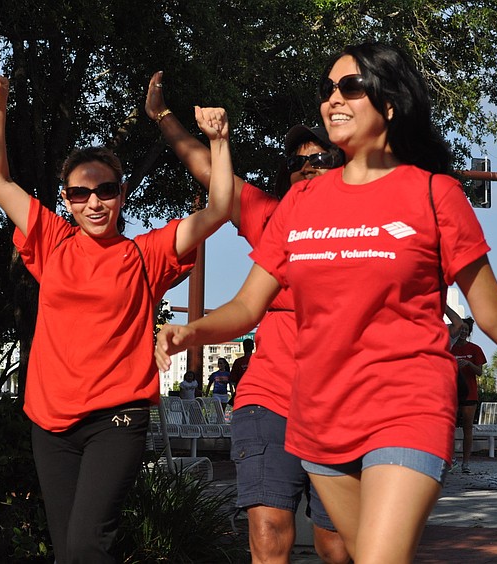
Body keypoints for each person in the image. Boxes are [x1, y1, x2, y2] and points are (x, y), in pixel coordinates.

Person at [153, 42, 497, 563]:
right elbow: (247, 305)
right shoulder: (300, 203)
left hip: (407, 402)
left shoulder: (435, 194)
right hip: (320, 416)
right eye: (328, 89)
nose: (333, 100)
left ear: (389, 104)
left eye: (350, 87)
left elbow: (493, 310)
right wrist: (191, 331)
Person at [0, 74, 233, 563]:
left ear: (121, 195)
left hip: (116, 420)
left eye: (106, 190)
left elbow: (221, 206)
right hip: (50, 424)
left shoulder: (146, 254)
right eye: (79, 194)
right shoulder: (51, 240)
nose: (93, 202)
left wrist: (219, 141)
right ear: (67, 199)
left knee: (88, 545)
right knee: (68, 552)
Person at [146, 72, 350, 564]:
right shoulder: (273, 219)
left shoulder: (370, 231)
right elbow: (207, 170)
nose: (307, 168)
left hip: (342, 407)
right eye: (297, 163)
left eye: (320, 158)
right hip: (269, 401)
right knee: (268, 530)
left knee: (336, 546)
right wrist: (163, 117)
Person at [451, 317, 487, 474]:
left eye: (466, 330)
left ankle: (466, 462)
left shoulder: (475, 349)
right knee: (448, 428)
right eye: (461, 329)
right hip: (451, 393)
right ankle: (450, 460)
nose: (463, 332)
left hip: (470, 393)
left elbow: (479, 372)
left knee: (467, 428)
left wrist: (469, 364)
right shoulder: (449, 348)